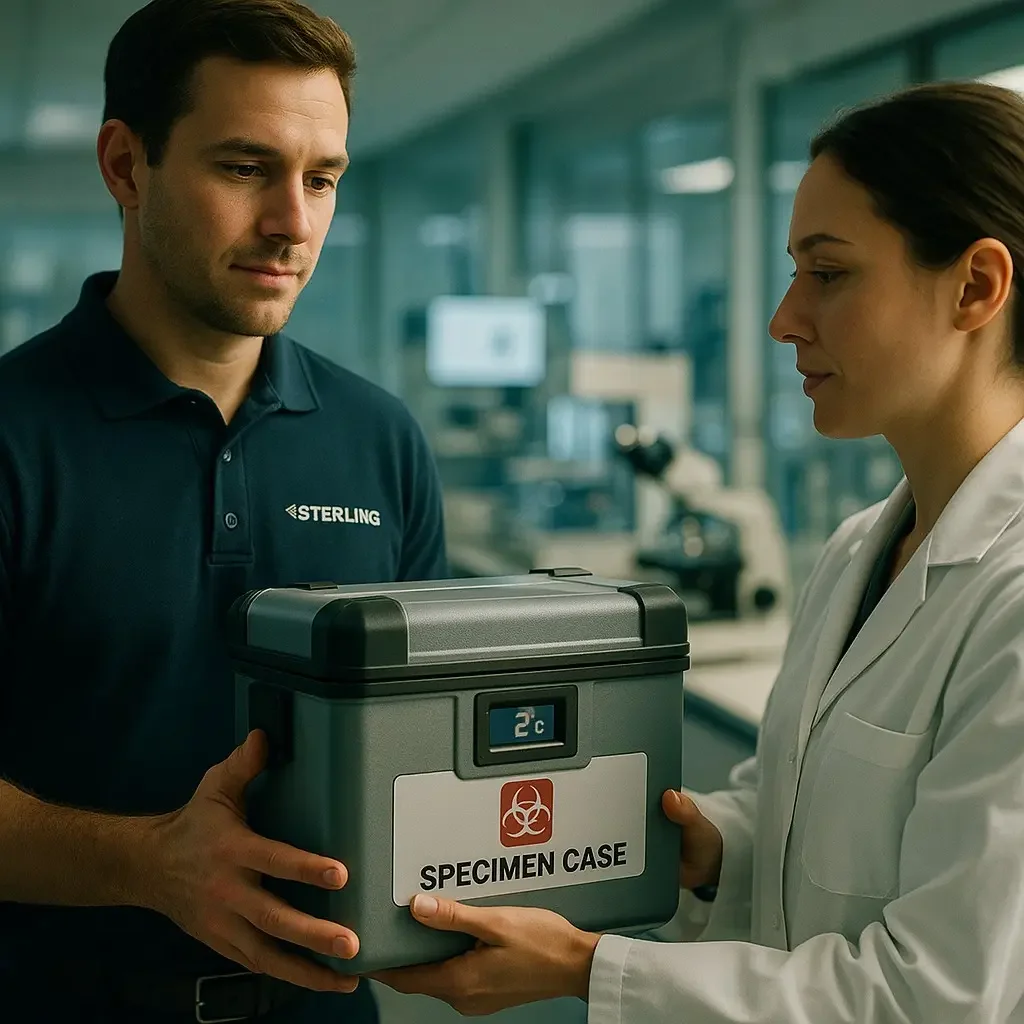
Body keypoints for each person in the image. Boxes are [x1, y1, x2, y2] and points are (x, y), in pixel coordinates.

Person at [373, 80, 1024, 1022]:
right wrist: (713, 845)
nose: (784, 319)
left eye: (828, 273)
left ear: (976, 286)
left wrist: (587, 968)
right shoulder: (857, 551)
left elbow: (937, 997)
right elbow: (805, 816)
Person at [0, 0, 447, 1020]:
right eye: (244, 169)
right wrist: (146, 861)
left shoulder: (381, 438)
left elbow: (420, 749)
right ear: (126, 165)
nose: (293, 220)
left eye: (321, 178)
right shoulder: (13, 438)